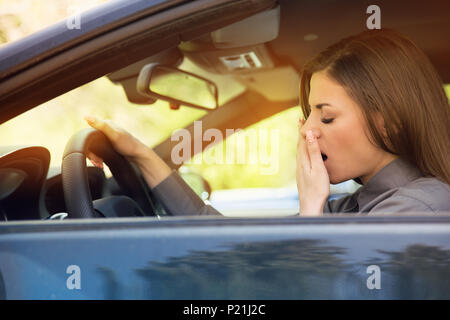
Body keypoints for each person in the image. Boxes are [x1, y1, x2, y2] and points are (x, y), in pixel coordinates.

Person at [85, 29, 450, 216]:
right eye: (308, 115)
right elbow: (231, 245)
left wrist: (310, 208)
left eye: (327, 116)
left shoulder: (418, 208)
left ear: (390, 122)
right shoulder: (355, 205)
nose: (307, 129)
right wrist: (142, 156)